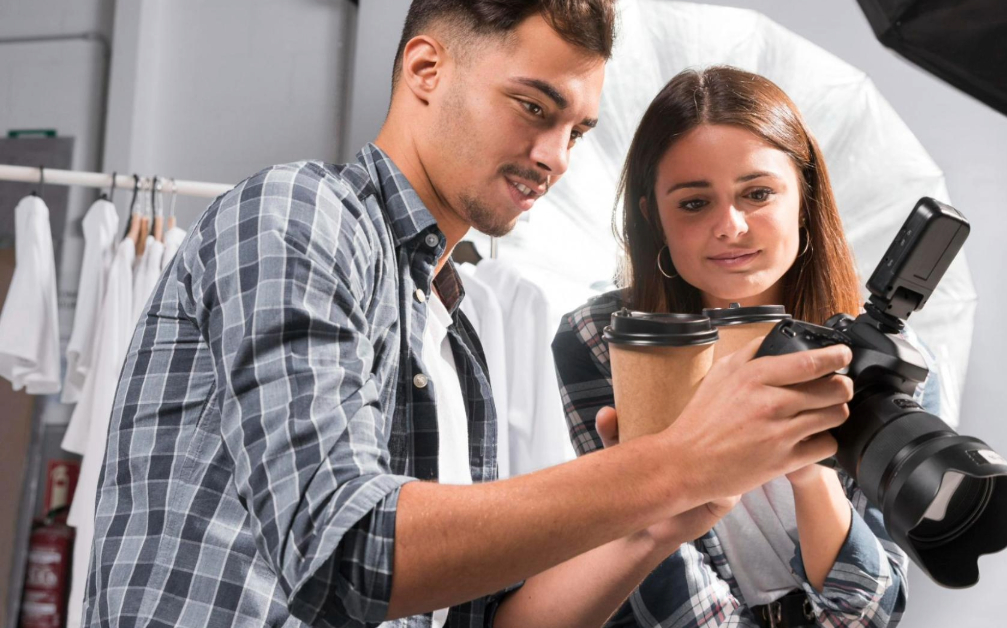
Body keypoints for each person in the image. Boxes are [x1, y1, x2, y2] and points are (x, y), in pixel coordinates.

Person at [83, 4, 857, 628]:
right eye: (532, 106)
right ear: (426, 69)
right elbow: (350, 555)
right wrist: (672, 462)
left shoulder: (457, 329)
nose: (554, 154)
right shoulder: (299, 214)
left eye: (577, 130)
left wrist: (665, 518)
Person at [553, 66, 941, 628]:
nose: (730, 226)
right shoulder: (604, 339)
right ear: (652, 216)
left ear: (803, 199)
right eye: (693, 203)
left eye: (757, 194)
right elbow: (647, 558)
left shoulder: (889, 357)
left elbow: (871, 612)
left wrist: (808, 464)